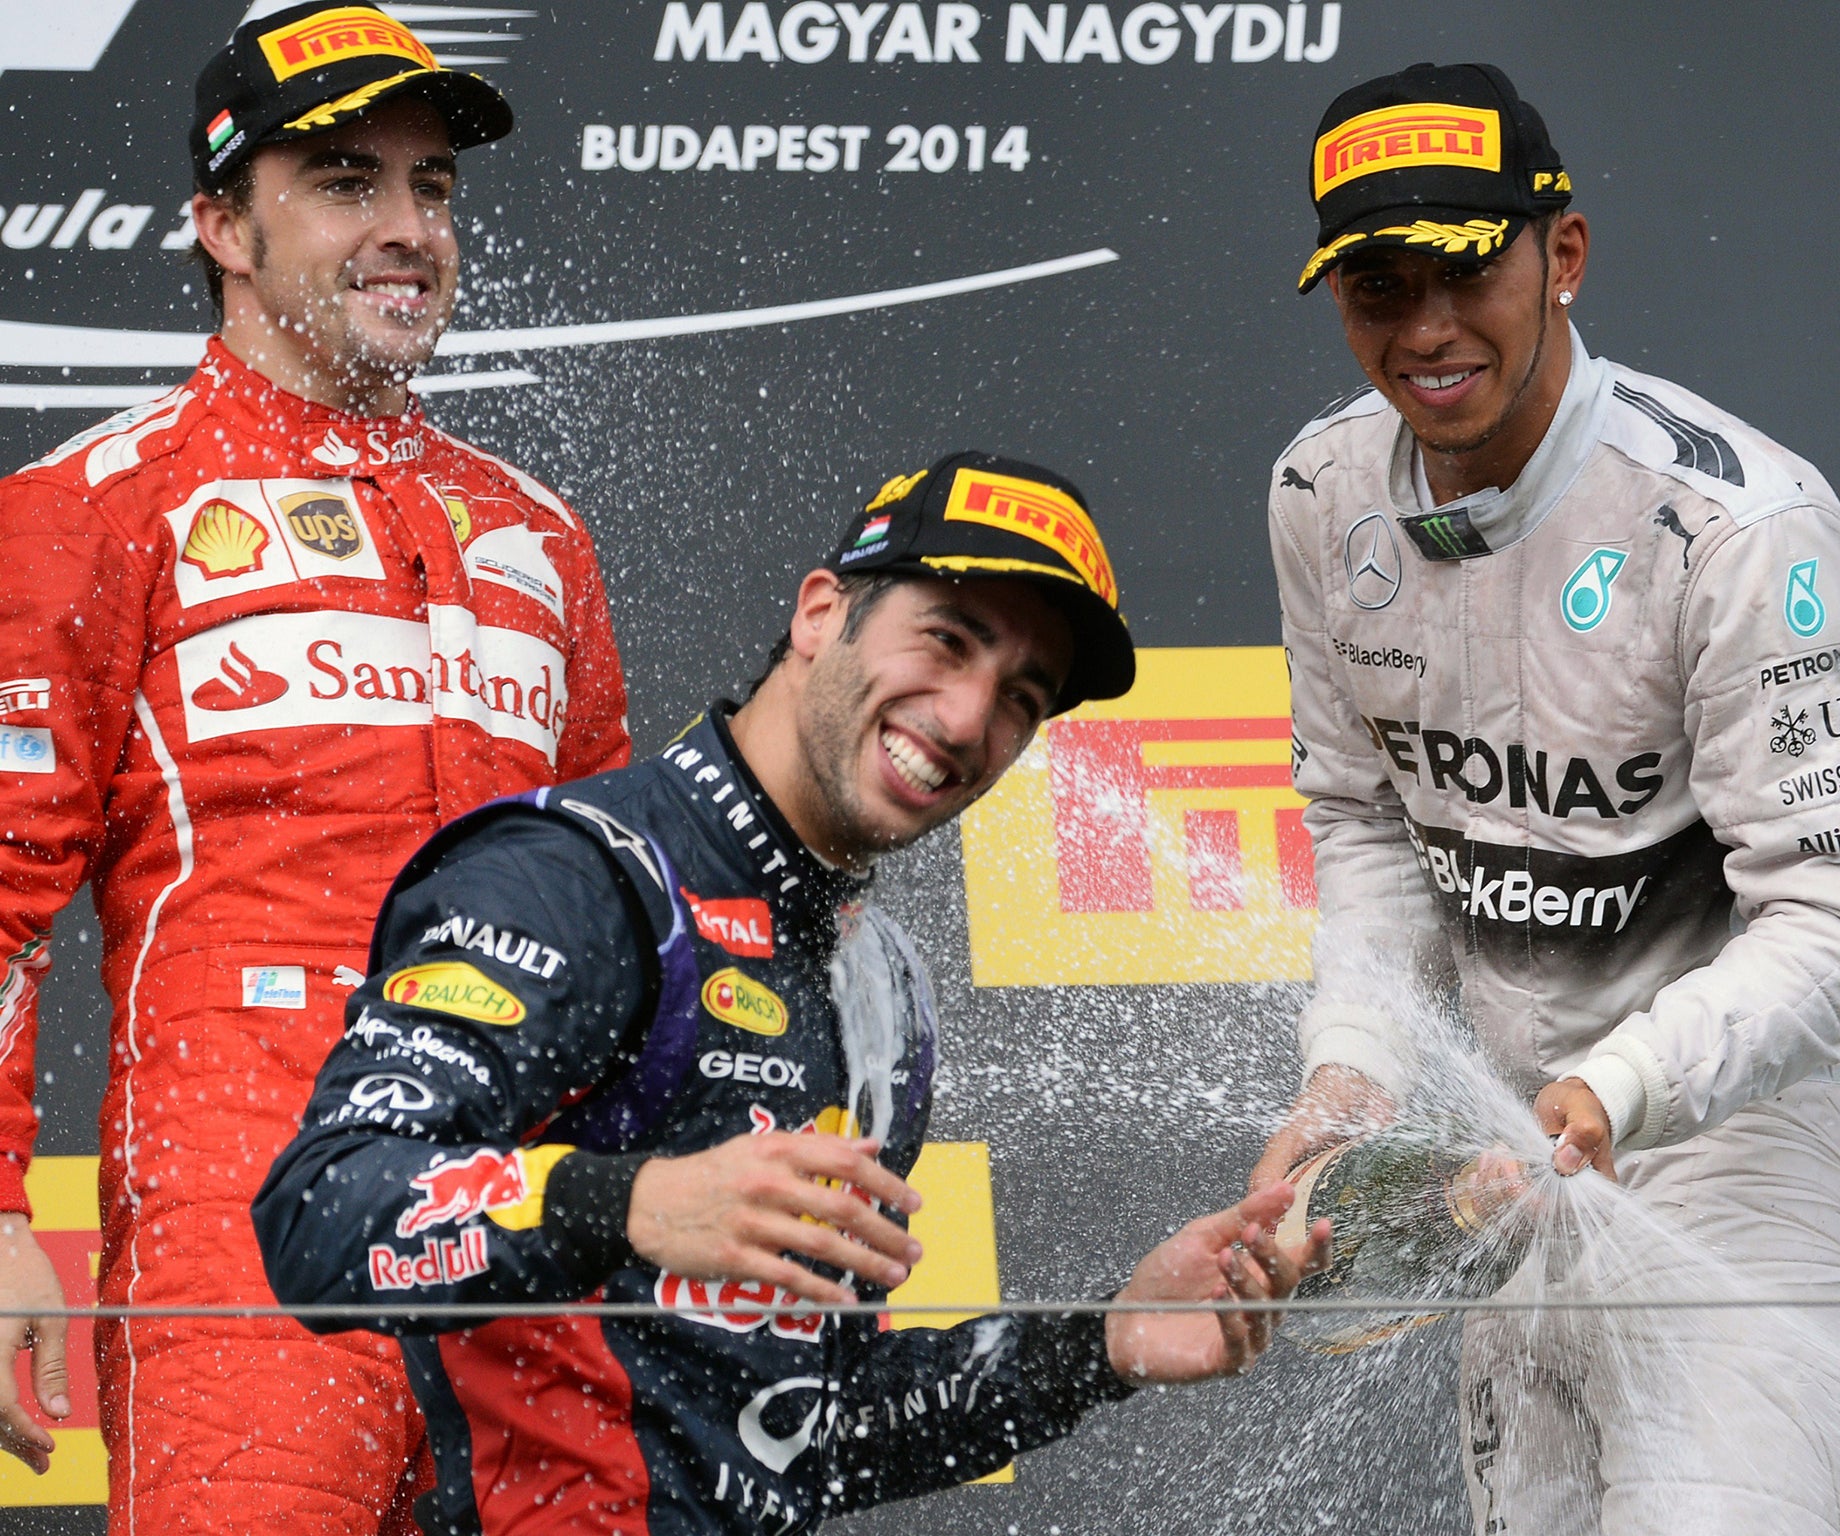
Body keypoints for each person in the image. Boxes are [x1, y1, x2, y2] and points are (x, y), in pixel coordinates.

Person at [255, 451, 1333, 1535]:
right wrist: (634, 1204)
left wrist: (1097, 1341)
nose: (964, 721)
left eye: (1019, 698)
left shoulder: (884, 992)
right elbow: (319, 1217)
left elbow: (812, 1433)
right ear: (821, 612)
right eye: (946, 641)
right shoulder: (580, 878)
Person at [1251, 62, 1840, 1536]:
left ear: (1562, 256)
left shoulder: (1741, 523)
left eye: (1465, 269)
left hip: (1733, 1140)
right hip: (1508, 1148)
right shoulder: (1319, 493)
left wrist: (1620, 1091)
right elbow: (1366, 819)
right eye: (1376, 284)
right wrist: (1351, 1080)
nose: (1424, 329)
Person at [0, 5, 630, 1528]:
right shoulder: (95, 505)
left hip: (529, 1234)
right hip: (249, 1221)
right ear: (221, 224)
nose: (408, 228)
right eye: (348, 182)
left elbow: (620, 911)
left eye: (433, 189)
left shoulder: (536, 531)